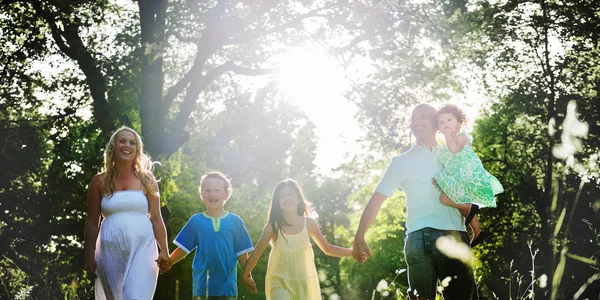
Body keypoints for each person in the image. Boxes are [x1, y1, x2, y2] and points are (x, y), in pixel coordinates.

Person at [352, 104, 478, 300]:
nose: (417, 121)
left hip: (454, 235)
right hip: (419, 240)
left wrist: (473, 223)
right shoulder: (401, 162)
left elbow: (466, 199)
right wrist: (359, 235)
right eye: (414, 118)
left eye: (423, 117)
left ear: (437, 124)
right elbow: (376, 199)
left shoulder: (453, 155)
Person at [84, 126, 170, 299]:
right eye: (122, 141)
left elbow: (156, 218)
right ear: (113, 146)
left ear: (137, 149)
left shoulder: (147, 180)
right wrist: (89, 256)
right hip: (109, 250)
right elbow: (92, 222)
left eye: (132, 143)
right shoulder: (99, 181)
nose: (127, 145)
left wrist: (164, 251)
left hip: (143, 249)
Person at [241, 179, 352, 300]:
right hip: (279, 281)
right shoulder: (273, 226)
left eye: (290, 194)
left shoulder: (309, 224)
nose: (286, 198)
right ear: (277, 202)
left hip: (302, 282)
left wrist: (353, 252)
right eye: (281, 196)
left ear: (298, 199)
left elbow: (328, 248)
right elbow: (257, 252)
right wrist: (246, 275)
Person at [165, 172, 254, 299]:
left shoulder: (235, 221)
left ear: (226, 194)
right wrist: (168, 261)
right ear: (202, 194)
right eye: (208, 190)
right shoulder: (196, 221)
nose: (212, 194)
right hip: (202, 287)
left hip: (227, 288)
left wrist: (248, 276)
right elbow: (183, 249)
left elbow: (242, 254)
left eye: (217, 190)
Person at [435, 104, 503, 247]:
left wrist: (447, 136)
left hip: (466, 174)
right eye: (441, 122)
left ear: (459, 124)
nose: (445, 124)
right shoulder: (446, 144)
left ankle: (470, 208)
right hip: (458, 175)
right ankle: (478, 231)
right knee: (462, 206)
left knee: (444, 199)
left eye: (449, 120)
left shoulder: (462, 137)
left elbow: (454, 149)